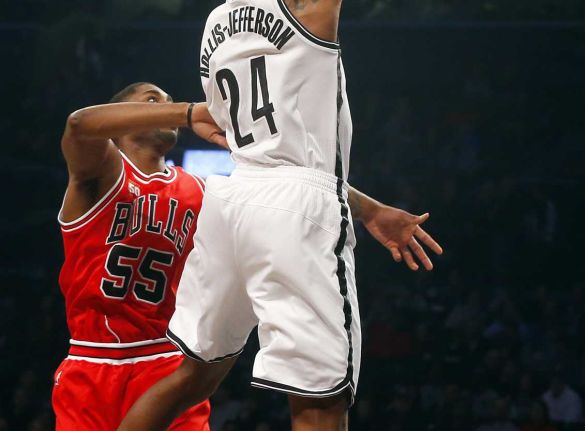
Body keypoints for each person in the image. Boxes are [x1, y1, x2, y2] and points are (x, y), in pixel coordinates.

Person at [118, 0, 443, 430]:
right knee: (320, 401)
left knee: (192, 377)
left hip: (233, 200)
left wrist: (370, 209)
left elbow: (256, 143)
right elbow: (291, 170)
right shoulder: (307, 13)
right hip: (296, 210)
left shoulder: (216, 21)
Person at [54, 81, 225, 430]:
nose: (165, 107)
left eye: (168, 102)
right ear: (121, 121)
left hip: (164, 358)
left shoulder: (200, 189)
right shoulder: (102, 174)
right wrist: (188, 112)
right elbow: (78, 125)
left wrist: (364, 208)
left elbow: (281, 190)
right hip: (91, 360)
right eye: (152, 101)